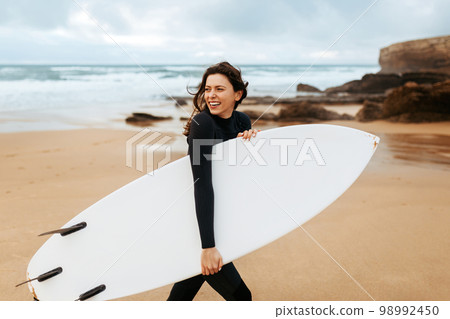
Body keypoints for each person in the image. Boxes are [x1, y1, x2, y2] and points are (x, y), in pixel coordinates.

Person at [167, 61, 260, 301]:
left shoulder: (242, 122)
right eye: (207, 89)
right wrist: (208, 246)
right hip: (198, 225)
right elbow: (202, 183)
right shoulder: (202, 124)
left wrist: (247, 144)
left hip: (217, 223)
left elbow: (237, 180)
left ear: (237, 94)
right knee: (242, 298)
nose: (211, 95)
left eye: (219, 89)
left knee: (181, 298)